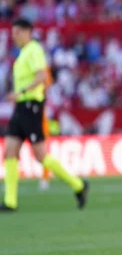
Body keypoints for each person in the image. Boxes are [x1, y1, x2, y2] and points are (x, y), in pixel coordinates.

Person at [1, 18, 89, 212]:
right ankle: (10, 201)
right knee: (9, 151)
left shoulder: (34, 50)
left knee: (41, 156)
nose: (14, 37)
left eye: (16, 33)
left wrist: (21, 92)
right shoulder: (23, 53)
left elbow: (42, 76)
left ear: (26, 32)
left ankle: (79, 185)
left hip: (31, 106)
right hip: (21, 107)